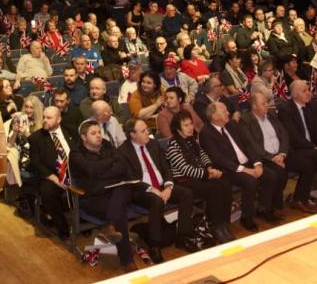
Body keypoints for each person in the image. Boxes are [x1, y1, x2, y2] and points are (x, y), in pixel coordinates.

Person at [118, 118, 199, 261]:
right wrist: (151, 189)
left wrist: (168, 186)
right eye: (143, 131)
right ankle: (155, 245)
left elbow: (166, 167)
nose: (148, 132)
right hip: (141, 190)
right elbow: (130, 178)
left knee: (186, 193)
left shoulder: (153, 144)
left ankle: (182, 236)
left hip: (162, 185)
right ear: (132, 134)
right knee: (156, 200)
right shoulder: (123, 151)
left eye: (146, 129)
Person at [68, 120, 136, 272]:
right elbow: (91, 169)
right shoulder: (76, 153)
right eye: (93, 133)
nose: (99, 136)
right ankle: (127, 261)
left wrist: (102, 174)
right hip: (93, 198)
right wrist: (111, 162)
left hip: (115, 191)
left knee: (124, 188)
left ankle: (110, 226)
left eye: (99, 132)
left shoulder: (106, 144)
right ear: (84, 137)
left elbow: (122, 165)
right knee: (120, 212)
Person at [200, 101, 277, 232]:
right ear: (214, 116)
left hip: (245, 163)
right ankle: (247, 217)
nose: (228, 113)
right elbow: (218, 159)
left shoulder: (231, 125)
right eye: (224, 111)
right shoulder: (206, 133)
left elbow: (248, 144)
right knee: (250, 181)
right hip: (229, 169)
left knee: (270, 175)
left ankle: (264, 208)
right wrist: (245, 170)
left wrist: (257, 164)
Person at [163, 109, 234, 244]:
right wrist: (208, 174)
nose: (190, 128)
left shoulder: (191, 141)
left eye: (191, 124)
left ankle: (224, 223)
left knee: (224, 184)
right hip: (184, 181)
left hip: (199, 177)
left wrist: (209, 167)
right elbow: (185, 169)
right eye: (186, 125)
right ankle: (215, 226)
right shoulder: (173, 145)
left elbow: (203, 155)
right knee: (214, 189)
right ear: (178, 129)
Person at [28, 106, 78, 238]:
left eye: (49, 118)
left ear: (59, 119)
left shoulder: (71, 131)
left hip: (74, 172)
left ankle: (83, 221)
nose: (44, 120)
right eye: (44, 117)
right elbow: (36, 163)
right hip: (52, 175)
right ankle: (63, 227)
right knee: (47, 192)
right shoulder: (36, 138)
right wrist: (55, 179)